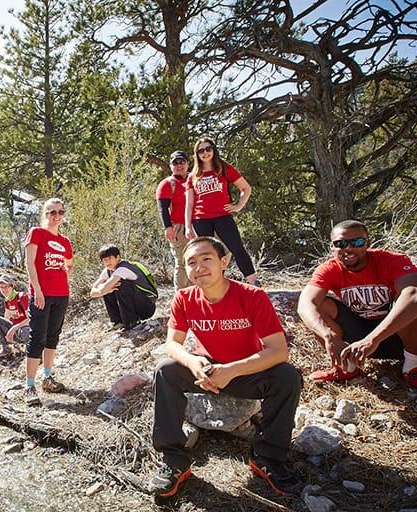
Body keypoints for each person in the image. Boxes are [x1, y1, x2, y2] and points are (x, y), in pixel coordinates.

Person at [150, 237, 302, 497]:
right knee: (166, 370)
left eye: (206, 259)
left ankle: (268, 457)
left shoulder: (252, 296)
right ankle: (174, 460)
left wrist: (231, 371)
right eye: (191, 262)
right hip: (206, 373)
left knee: (288, 376)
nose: (199, 267)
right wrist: (193, 362)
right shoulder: (184, 298)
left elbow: (278, 351)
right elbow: (172, 345)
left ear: (224, 261)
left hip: (246, 373)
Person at [297, 220, 417, 393]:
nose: (349, 248)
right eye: (341, 243)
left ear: (368, 243)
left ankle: (413, 369)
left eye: (357, 242)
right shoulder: (329, 269)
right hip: (358, 340)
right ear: (332, 247)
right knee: (319, 306)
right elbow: (305, 303)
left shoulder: (390, 260)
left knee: (416, 302)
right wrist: (328, 336)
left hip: (400, 336)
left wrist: (373, 339)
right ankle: (347, 367)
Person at [183, 137, 258, 286]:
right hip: (201, 219)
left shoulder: (224, 168)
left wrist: (238, 206)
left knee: (237, 248)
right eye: (201, 151)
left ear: (214, 150)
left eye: (208, 149)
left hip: (223, 216)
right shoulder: (193, 175)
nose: (205, 153)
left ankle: (254, 282)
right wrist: (187, 226)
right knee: (207, 254)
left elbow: (246, 188)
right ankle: (215, 285)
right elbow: (189, 203)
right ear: (196, 154)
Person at [23, 198, 74, 406]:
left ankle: (48, 377)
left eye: (60, 212)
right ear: (44, 214)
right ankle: (29, 386)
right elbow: (30, 264)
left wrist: (66, 270)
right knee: (37, 338)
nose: (56, 216)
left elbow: (69, 264)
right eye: (51, 212)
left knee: (53, 335)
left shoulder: (65, 241)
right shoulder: (36, 233)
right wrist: (37, 291)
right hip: (41, 294)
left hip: (61, 293)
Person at [90, 244, 156, 330]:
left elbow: (100, 291)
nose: (107, 262)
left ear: (118, 257)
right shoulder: (108, 271)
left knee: (120, 285)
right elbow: (92, 292)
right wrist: (106, 290)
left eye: (110, 258)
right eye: (104, 260)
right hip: (137, 305)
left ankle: (131, 322)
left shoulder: (123, 269)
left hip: (147, 307)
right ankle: (118, 322)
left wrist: (104, 289)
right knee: (108, 286)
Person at [156, 150, 191, 290]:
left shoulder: (194, 180)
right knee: (182, 263)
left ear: (188, 163)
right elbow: (162, 208)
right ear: (171, 166)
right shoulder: (167, 184)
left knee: (198, 261)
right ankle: (181, 296)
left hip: (196, 226)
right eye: (175, 163)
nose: (179, 165)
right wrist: (168, 227)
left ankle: (197, 295)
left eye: (182, 161)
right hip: (179, 228)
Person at [0, 274, 30, 362]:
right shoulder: (7, 301)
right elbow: (7, 320)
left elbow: (31, 319)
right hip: (16, 332)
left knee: (26, 331)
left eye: (7, 286)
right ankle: (6, 348)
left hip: (26, 330)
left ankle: (30, 350)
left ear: (12, 286)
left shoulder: (22, 297)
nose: (4, 289)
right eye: (2, 287)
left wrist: (13, 328)